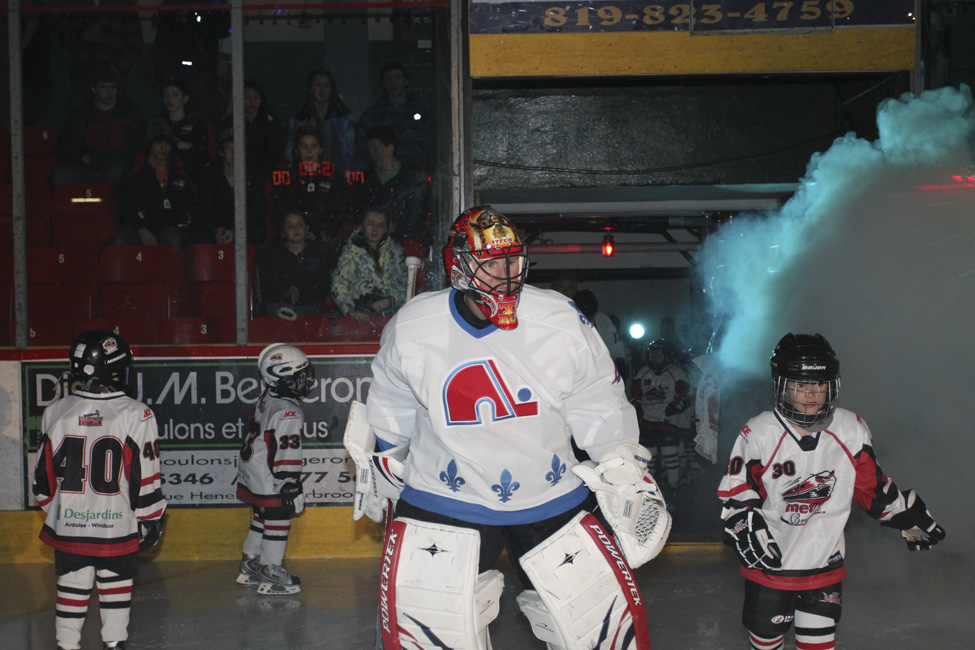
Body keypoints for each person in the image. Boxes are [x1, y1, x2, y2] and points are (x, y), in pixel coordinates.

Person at [353, 206, 670, 649]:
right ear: (458, 265)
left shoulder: (559, 317)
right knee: (427, 638)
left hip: (553, 496)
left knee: (606, 636)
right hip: (445, 500)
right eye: (491, 262)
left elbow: (598, 398)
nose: (505, 274)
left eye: (513, 260)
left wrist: (622, 467)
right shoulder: (412, 326)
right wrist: (383, 466)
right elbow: (391, 412)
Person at [717, 333, 946, 650]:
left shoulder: (850, 428)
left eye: (819, 383)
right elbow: (737, 492)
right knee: (766, 643)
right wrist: (743, 523)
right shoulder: (758, 432)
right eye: (800, 384)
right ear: (781, 385)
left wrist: (903, 513)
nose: (810, 393)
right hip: (770, 564)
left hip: (824, 560)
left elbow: (871, 486)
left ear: (832, 384)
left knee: (818, 644)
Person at [31, 330, 166, 650]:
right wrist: (151, 515)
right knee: (116, 583)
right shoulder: (138, 413)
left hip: (68, 525)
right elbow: (145, 475)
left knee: (72, 585)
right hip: (116, 525)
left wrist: (62, 512)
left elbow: (41, 481)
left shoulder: (56, 411)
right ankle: (115, 642)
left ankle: (66, 644)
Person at [236, 343, 316, 595]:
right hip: (269, 475)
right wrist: (289, 484)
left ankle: (250, 562)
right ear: (278, 379)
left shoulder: (269, 397)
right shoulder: (288, 410)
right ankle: (270, 570)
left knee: (261, 515)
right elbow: (286, 452)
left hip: (252, 469)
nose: (304, 380)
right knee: (278, 517)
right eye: (297, 376)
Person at [52, 66, 145, 188]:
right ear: (94, 89)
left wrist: (111, 158)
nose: (109, 92)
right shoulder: (81, 115)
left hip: (116, 165)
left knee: (122, 175)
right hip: (87, 167)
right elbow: (66, 144)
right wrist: (82, 157)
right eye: (103, 87)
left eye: (113, 87)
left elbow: (136, 144)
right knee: (61, 176)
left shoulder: (129, 112)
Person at [112, 118, 192, 251]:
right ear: (149, 144)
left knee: (173, 237)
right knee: (120, 240)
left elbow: (185, 205)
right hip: (141, 228)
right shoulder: (134, 172)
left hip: (170, 229)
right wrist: (141, 228)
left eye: (167, 142)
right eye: (158, 142)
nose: (163, 147)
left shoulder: (179, 171)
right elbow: (125, 205)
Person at [631, 338, 694, 501]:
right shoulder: (643, 372)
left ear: (667, 356)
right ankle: (648, 489)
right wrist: (637, 407)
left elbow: (688, 396)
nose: (654, 358)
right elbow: (633, 396)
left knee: (669, 454)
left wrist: (676, 408)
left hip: (668, 423)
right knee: (647, 458)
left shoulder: (677, 373)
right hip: (647, 423)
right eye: (652, 355)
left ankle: (674, 486)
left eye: (658, 355)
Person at [273, 124, 350, 246]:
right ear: (297, 149)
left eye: (313, 146)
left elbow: (340, 213)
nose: (309, 151)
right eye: (304, 146)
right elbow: (279, 212)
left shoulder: (334, 178)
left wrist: (318, 232)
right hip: (294, 238)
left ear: (320, 149)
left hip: (324, 239)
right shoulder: (287, 179)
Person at [353, 126, 430, 246]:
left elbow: (415, 216)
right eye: (369, 150)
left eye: (375, 149)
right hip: (373, 243)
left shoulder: (412, 177)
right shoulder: (367, 179)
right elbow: (360, 212)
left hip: (406, 242)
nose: (371, 154)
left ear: (390, 148)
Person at [192, 127, 268, 245]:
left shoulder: (254, 177)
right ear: (221, 152)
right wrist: (216, 230)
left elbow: (257, 212)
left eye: (238, 149)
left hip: (246, 233)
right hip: (217, 234)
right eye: (229, 149)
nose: (234, 153)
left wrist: (236, 233)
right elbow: (203, 211)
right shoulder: (210, 176)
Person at [354, 61, 434, 172]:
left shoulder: (422, 114)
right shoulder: (372, 115)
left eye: (397, 78)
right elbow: (361, 150)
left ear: (406, 81)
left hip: (413, 175)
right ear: (383, 83)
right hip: (381, 175)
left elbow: (430, 150)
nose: (393, 83)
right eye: (388, 79)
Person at [331, 206, 407, 324]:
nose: (375, 229)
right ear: (362, 226)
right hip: (361, 316)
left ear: (387, 228)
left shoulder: (395, 252)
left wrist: (389, 301)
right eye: (370, 224)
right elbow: (338, 284)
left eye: (381, 225)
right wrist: (350, 311)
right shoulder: (351, 252)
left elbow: (405, 285)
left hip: (391, 316)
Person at [256, 210, 337, 317]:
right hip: (280, 305)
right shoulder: (273, 255)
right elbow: (269, 287)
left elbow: (322, 286)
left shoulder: (318, 253)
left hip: (310, 307)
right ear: (283, 232)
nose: (296, 229)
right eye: (290, 226)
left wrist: (302, 293)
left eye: (300, 224)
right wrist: (287, 291)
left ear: (307, 228)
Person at [284, 68, 356, 173]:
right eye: (317, 85)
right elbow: (290, 152)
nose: (322, 90)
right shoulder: (300, 119)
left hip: (336, 171)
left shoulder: (343, 118)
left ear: (332, 89)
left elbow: (349, 152)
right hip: (305, 171)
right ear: (310, 88)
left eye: (326, 85)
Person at [221, 79, 283, 191]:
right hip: (235, 170)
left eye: (256, 97)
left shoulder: (271, 122)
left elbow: (273, 154)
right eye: (247, 97)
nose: (252, 101)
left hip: (262, 173)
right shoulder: (231, 121)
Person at [160, 76, 210, 186]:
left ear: (185, 98)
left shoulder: (196, 124)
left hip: (189, 178)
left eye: (175, 95)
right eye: (166, 95)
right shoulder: (158, 123)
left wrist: (190, 147)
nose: (170, 99)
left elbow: (203, 155)